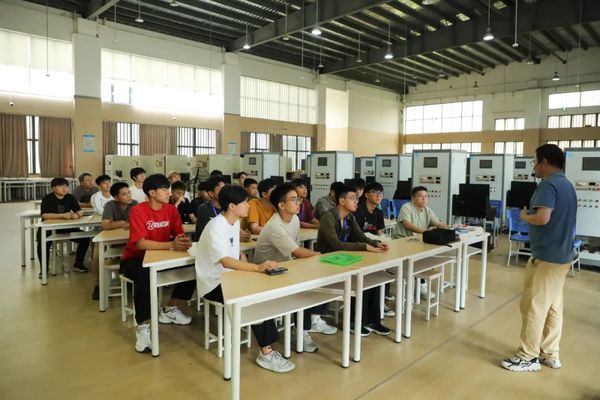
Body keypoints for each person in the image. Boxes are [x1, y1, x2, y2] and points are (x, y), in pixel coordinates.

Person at [195, 185, 295, 373]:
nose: (248, 206)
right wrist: (256, 268)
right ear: (232, 206)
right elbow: (225, 260)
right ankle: (266, 353)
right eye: (244, 203)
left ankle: (267, 344)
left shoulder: (233, 223)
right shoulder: (216, 226)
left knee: (264, 289)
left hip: (230, 278)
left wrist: (246, 262)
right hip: (214, 284)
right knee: (255, 299)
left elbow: (235, 252)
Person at [501, 144, 576, 372]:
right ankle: (549, 353)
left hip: (547, 257)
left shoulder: (548, 184)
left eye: (534, 161)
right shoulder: (566, 184)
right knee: (553, 308)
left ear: (544, 162)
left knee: (534, 307)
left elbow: (543, 218)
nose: (533, 166)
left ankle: (527, 356)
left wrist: (524, 216)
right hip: (562, 256)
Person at [119, 174, 195, 353]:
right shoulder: (138, 211)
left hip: (162, 256)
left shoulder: (171, 210)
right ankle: (143, 327)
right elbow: (140, 243)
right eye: (164, 189)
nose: (168, 193)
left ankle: (170, 308)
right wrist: (171, 245)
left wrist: (183, 241)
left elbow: (179, 234)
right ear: (152, 193)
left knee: (193, 267)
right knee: (144, 276)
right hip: (135, 258)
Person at [253, 183, 329, 352]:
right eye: (293, 200)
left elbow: (295, 250)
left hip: (285, 267)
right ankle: (299, 331)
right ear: (281, 205)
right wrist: (322, 256)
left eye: (298, 199)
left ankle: (304, 327)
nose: (298, 203)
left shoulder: (294, 219)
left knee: (314, 284)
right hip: (266, 273)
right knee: (304, 289)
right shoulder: (274, 226)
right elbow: (298, 252)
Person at [315, 184, 390, 337]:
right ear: (342, 201)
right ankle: (354, 322)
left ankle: (372, 321)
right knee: (359, 279)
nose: (356, 201)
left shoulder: (349, 217)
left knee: (372, 276)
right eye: (352, 198)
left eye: (357, 198)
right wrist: (365, 247)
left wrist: (375, 243)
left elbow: (360, 236)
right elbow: (336, 245)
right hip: (327, 261)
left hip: (342, 259)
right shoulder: (328, 217)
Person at [391, 186, 449, 299]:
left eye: (426, 196)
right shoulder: (406, 207)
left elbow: (437, 222)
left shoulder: (427, 210)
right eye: (420, 196)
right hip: (402, 241)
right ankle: (418, 286)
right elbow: (407, 224)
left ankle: (421, 285)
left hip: (417, 241)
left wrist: (445, 226)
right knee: (419, 260)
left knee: (427, 257)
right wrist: (425, 232)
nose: (424, 199)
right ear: (413, 198)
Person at [91, 182, 139, 300]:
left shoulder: (134, 204)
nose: (128, 196)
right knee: (97, 252)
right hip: (112, 240)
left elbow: (139, 222)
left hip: (129, 239)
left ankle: (132, 279)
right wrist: (123, 223)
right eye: (124, 194)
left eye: (129, 193)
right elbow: (105, 225)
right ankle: (98, 285)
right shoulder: (110, 205)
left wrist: (117, 224)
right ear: (116, 197)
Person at [354, 181, 395, 317]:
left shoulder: (378, 212)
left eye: (381, 193)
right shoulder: (358, 211)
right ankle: (372, 304)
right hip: (360, 247)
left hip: (374, 245)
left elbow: (379, 233)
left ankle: (381, 300)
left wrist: (383, 241)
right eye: (375, 193)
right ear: (366, 195)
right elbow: (357, 235)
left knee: (386, 264)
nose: (378, 196)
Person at [37, 177, 91, 276]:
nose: (64, 189)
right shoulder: (47, 198)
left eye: (66, 186)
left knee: (85, 238)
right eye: (60, 186)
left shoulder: (70, 197)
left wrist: (77, 215)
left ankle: (78, 263)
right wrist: (62, 215)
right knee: (42, 242)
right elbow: (44, 215)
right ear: (53, 188)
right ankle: (44, 268)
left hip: (66, 227)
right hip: (49, 228)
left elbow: (79, 211)